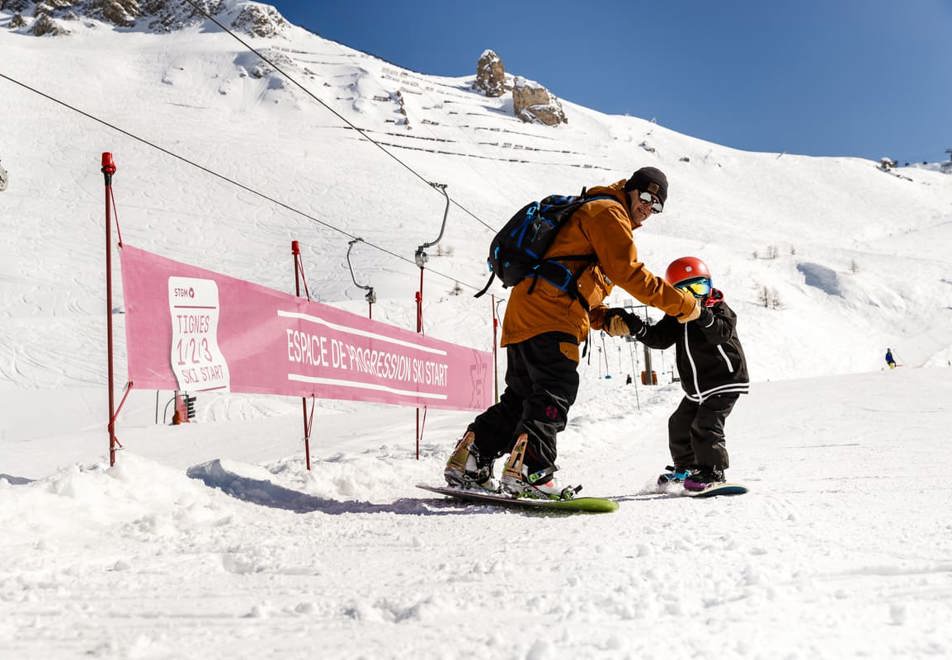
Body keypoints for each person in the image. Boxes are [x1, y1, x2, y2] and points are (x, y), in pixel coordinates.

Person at [444, 167, 700, 499]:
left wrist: (605, 319)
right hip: (552, 317)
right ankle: (531, 470)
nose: (649, 208)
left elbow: (573, 280)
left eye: (658, 205)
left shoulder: (592, 211)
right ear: (633, 190)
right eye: (648, 197)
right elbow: (630, 273)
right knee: (555, 389)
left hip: (528, 314)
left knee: (521, 398)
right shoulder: (609, 212)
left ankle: (471, 458)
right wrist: (684, 305)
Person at [615, 256, 749, 491]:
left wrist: (702, 315)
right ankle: (688, 468)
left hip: (723, 380)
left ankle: (713, 472)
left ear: (709, 285)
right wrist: (635, 326)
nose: (693, 296)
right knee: (678, 424)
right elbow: (659, 339)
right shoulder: (676, 315)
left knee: (705, 425)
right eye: (684, 291)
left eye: (699, 287)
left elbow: (721, 333)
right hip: (697, 388)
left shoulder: (718, 308)